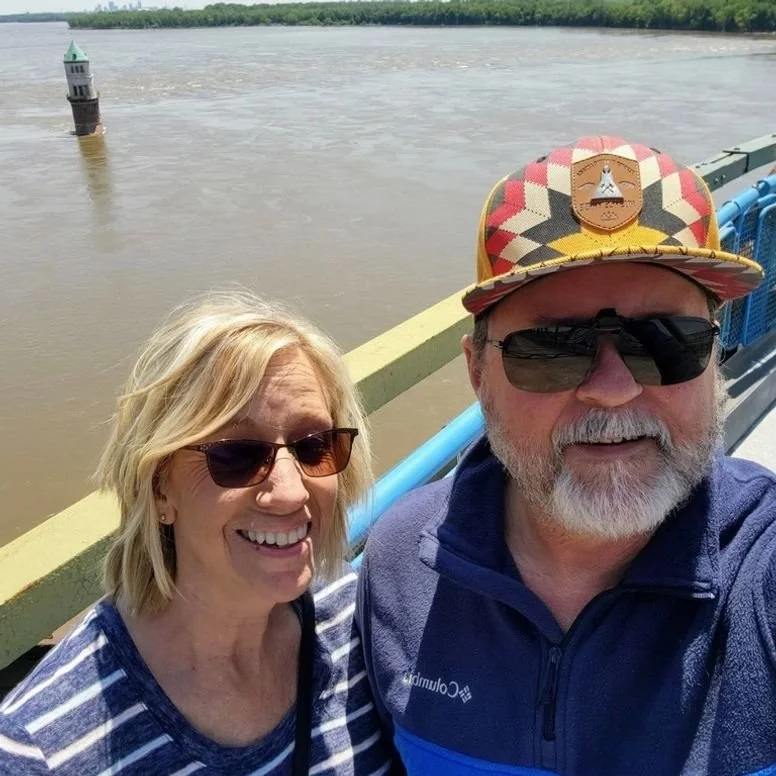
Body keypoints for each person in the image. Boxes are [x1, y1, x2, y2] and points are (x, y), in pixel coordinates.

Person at [356, 137, 776, 775]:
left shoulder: (762, 571)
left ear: (714, 355)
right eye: (551, 347)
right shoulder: (399, 564)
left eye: (666, 341)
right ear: (477, 375)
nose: (612, 389)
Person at [0, 292, 392, 775]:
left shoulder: (366, 627)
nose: (291, 492)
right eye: (236, 455)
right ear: (160, 487)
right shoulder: (40, 749)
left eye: (313, 446)